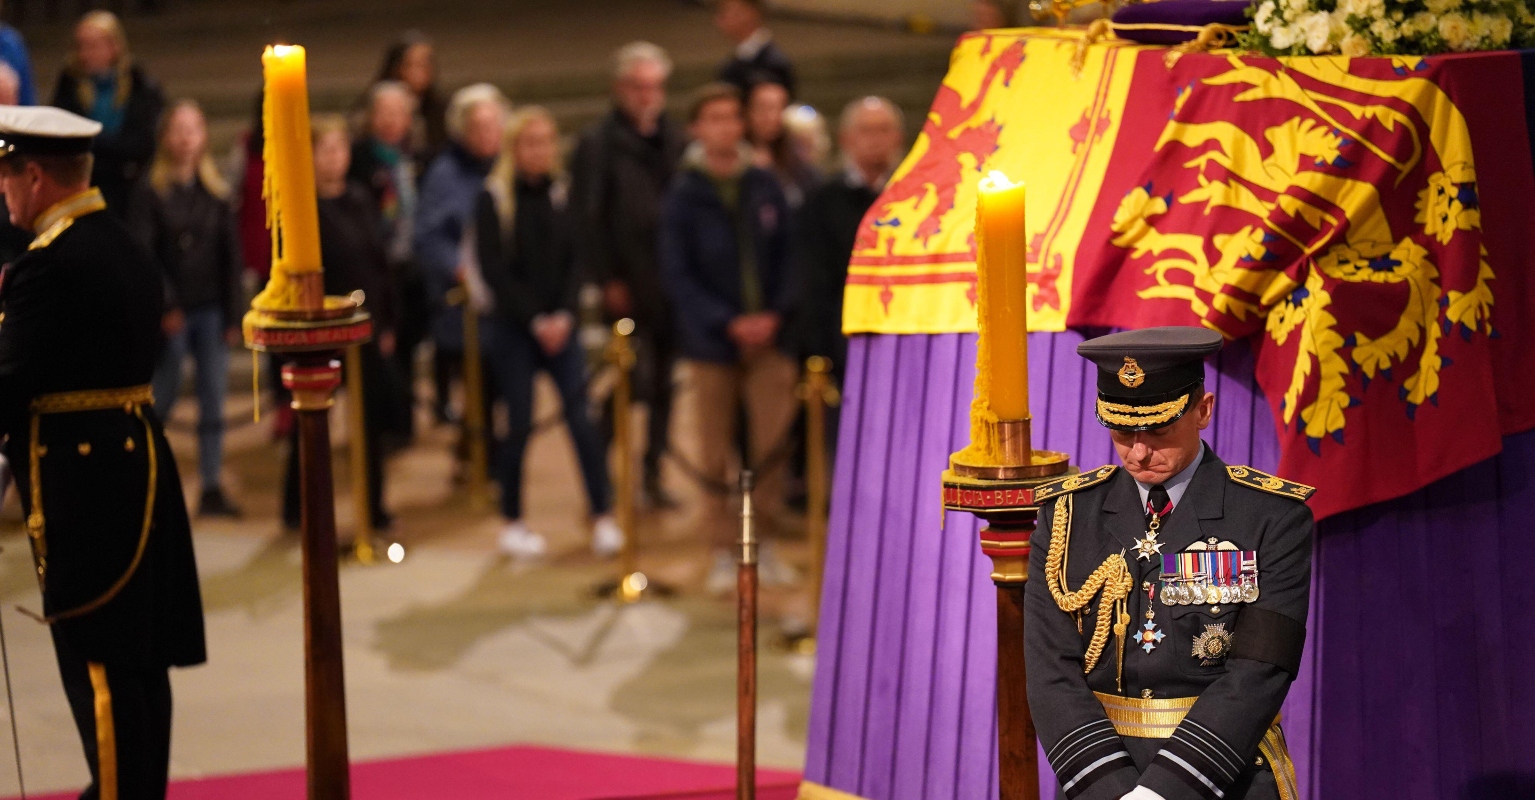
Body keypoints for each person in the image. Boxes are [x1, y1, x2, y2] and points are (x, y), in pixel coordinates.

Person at [0, 105, 205, 800]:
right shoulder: (117, 242)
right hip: (137, 469)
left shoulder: (50, 265)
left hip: (86, 493)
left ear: (34, 177)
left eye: (5, 176)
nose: (1, 193)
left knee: (101, 671)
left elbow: (9, 386)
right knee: (141, 665)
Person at [1024, 327, 1313, 800]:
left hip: (1220, 774)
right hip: (1098, 775)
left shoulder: (1272, 517)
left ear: (1203, 410)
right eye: (1122, 432)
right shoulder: (1066, 516)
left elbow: (1260, 670)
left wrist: (1162, 792)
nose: (1138, 452)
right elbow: (1049, 670)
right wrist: (1110, 789)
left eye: (1158, 430)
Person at [659, 83, 798, 595]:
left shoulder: (763, 182)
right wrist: (725, 321)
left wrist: (774, 315)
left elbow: (788, 254)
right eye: (712, 118)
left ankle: (764, 541)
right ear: (697, 128)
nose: (724, 127)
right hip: (711, 342)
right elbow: (678, 273)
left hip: (769, 338)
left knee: (771, 447)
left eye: (731, 117)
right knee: (714, 451)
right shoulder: (684, 193)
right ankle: (721, 548)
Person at [475, 107, 622, 559]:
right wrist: (536, 319)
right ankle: (513, 519)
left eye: (546, 141)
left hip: (563, 325)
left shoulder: (564, 193)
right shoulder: (493, 199)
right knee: (518, 423)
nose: (539, 150)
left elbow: (578, 258)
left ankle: (601, 513)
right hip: (516, 329)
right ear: (514, 148)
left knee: (581, 421)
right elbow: (495, 269)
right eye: (530, 142)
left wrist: (564, 313)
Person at [570, 41, 686, 509]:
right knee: (630, 380)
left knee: (665, 386)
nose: (647, 95)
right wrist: (607, 278)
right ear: (620, 89)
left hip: (670, 284)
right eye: (638, 87)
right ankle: (599, 471)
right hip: (627, 282)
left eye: (654, 86)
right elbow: (587, 218)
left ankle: (653, 473)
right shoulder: (597, 145)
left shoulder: (675, 140)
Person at [282, 117, 406, 532]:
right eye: (326, 150)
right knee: (313, 421)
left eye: (341, 149)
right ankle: (300, 507)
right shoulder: (301, 207)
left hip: (365, 325)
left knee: (371, 421)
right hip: (321, 328)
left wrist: (386, 321)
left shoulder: (358, 198)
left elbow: (379, 262)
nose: (335, 158)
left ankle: (374, 505)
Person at [129, 99, 244, 518]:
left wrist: (234, 315)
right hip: (173, 311)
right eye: (178, 129)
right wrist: (167, 304)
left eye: (193, 128)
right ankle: (144, 470)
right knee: (167, 390)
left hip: (211, 308)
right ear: (165, 137)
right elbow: (145, 255)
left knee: (213, 400)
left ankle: (211, 485)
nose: (185, 137)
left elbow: (231, 257)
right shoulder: (150, 191)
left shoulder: (215, 191)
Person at [415, 83, 506, 426]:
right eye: (478, 127)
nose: (487, 134)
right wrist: (462, 270)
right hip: (465, 302)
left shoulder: (505, 169)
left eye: (493, 125)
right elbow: (428, 236)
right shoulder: (445, 175)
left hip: (505, 296)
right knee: (479, 387)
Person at [795, 97, 904, 382]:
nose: (876, 139)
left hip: (902, 330)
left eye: (884, 130)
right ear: (846, 139)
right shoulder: (822, 201)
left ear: (899, 138)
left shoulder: (915, 198)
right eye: (866, 130)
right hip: (843, 339)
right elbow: (816, 279)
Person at [350, 81, 422, 433]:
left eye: (399, 113)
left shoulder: (415, 157)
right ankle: (374, 430)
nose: (392, 121)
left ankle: (403, 425)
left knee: (406, 348)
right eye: (384, 113)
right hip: (375, 268)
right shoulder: (360, 158)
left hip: (410, 265)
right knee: (378, 353)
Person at [49, 11, 165, 215]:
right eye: (80, 46)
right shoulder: (68, 87)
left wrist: (97, 143)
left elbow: (142, 143)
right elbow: (65, 140)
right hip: (83, 189)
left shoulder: (140, 85)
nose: (85, 54)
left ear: (114, 46)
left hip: (128, 189)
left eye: (93, 45)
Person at [372, 31, 447, 171]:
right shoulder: (374, 104)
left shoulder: (439, 110)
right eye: (412, 64)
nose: (420, 72)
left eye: (425, 64)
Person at [744, 80, 820, 209]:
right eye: (763, 108)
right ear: (747, 111)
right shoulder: (736, 161)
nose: (771, 116)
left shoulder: (797, 161)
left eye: (779, 108)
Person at [714, 0, 795, 98]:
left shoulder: (771, 63)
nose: (719, 20)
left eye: (725, 12)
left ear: (750, 13)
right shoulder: (739, 59)